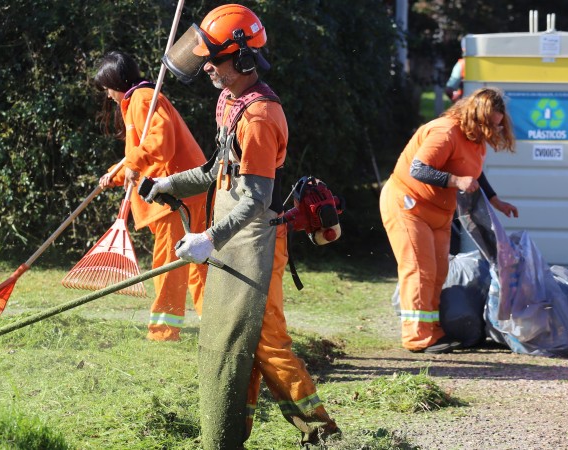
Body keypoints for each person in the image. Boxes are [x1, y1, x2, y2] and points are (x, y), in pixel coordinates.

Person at [143, 4, 340, 448]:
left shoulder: (259, 118)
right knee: (233, 339)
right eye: (205, 59)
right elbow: (217, 171)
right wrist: (168, 183)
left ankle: (322, 434)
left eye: (215, 60)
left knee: (267, 341)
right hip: (234, 239)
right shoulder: (230, 102)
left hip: (259, 240)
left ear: (246, 60)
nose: (208, 67)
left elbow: (255, 199)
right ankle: (230, 433)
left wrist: (209, 238)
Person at [380, 87, 519, 354]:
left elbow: (473, 172)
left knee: (438, 271)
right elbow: (418, 169)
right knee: (420, 269)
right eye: (490, 124)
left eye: (497, 126)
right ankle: (416, 336)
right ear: (476, 116)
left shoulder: (475, 139)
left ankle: (432, 330)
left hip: (439, 211)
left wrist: (496, 201)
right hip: (408, 204)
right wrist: (456, 181)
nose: (493, 131)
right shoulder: (445, 132)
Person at [93, 51, 208, 342]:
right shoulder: (136, 102)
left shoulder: (143, 98)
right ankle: (216, 323)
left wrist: (131, 165)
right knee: (197, 262)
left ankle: (163, 333)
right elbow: (140, 155)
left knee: (170, 265)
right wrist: (116, 175)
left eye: (106, 87)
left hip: (175, 195)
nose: (107, 96)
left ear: (115, 82)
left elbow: (161, 143)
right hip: (182, 193)